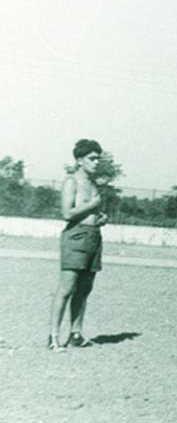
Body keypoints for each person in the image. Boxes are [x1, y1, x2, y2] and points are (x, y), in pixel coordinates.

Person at [48, 139, 109, 352]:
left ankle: (75, 333)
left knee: (84, 289)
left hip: (94, 237)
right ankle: (53, 337)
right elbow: (67, 213)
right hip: (75, 238)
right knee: (66, 288)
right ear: (80, 160)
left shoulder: (94, 184)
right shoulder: (71, 182)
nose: (96, 162)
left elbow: (89, 213)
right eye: (92, 158)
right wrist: (93, 205)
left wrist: (99, 217)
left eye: (98, 158)